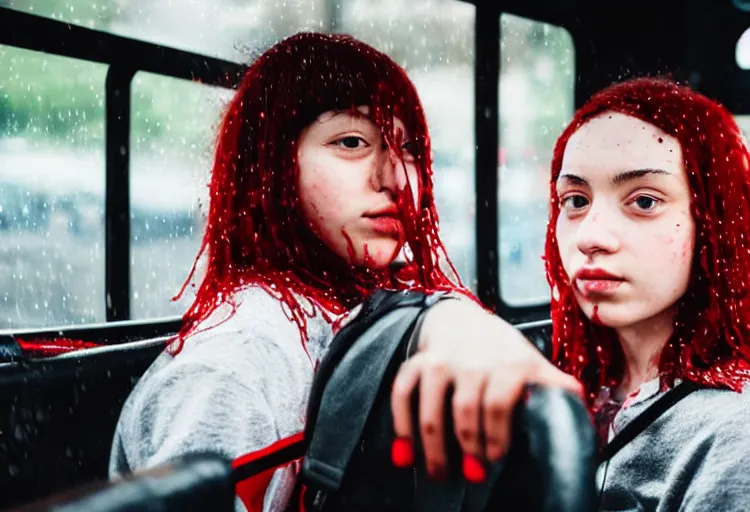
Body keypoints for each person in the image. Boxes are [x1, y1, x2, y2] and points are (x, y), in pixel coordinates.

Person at [108, 32, 578, 512]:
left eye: (409, 149)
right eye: (351, 142)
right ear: (270, 165)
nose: (394, 179)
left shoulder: (373, 305)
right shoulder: (234, 367)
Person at [544, 77, 750, 511]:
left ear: (713, 224)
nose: (589, 236)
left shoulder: (746, 422)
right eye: (575, 201)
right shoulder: (569, 373)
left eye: (645, 202)